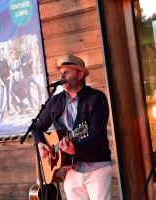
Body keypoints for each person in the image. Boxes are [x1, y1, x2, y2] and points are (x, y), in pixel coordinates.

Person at [35, 54, 112, 200]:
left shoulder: (96, 98)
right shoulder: (54, 102)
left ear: (80, 74)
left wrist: (76, 149)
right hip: (69, 169)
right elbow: (37, 127)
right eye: (60, 73)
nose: (61, 76)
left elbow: (96, 134)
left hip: (96, 166)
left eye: (66, 72)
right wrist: (40, 143)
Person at [20, 43, 42, 109]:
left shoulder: (29, 54)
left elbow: (31, 62)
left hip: (31, 74)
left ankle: (40, 101)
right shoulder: (21, 58)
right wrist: (27, 63)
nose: (22, 49)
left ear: (25, 48)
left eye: (23, 47)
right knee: (29, 93)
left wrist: (26, 64)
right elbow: (22, 67)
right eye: (21, 48)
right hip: (26, 77)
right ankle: (32, 107)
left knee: (38, 85)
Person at [0, 47, 12, 115]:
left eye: (3, 52)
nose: (2, 53)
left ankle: (8, 109)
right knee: (1, 94)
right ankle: (0, 108)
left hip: (7, 79)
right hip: (2, 80)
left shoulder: (5, 60)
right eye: (1, 52)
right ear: (0, 53)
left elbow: (8, 69)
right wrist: (1, 81)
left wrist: (10, 76)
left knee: (8, 95)